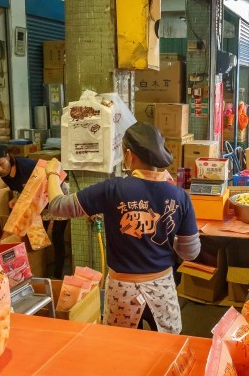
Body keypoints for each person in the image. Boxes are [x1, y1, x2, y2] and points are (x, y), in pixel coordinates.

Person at [45, 123, 200, 333]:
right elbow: (190, 253)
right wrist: (166, 237)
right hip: (162, 288)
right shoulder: (179, 195)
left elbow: (57, 207)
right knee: (167, 350)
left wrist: (52, 175)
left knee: (121, 349)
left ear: (128, 154)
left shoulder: (112, 189)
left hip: (122, 292)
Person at [0, 144, 69, 277]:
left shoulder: (27, 166)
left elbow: (55, 177)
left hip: (57, 196)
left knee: (57, 235)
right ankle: (43, 270)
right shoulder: (4, 175)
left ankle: (58, 274)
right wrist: (16, 198)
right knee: (41, 237)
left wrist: (52, 210)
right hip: (39, 203)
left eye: (1, 164)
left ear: (8, 156)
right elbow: (23, 189)